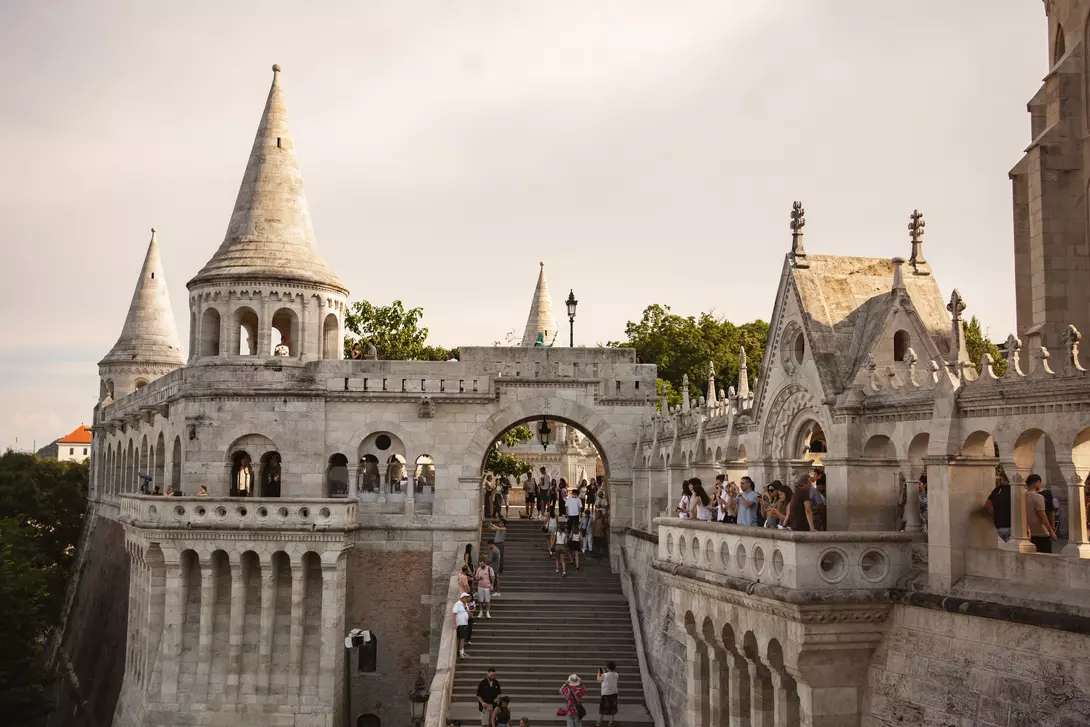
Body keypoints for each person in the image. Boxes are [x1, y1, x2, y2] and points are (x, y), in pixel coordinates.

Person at [1025, 474, 1057, 553]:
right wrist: (1051, 531)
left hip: (1027, 532)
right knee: (1046, 556)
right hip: (1040, 532)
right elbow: (1042, 515)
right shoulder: (1038, 497)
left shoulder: (1022, 496)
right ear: (1037, 482)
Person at [984, 475, 1012, 542]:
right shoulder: (1014, 490)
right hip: (1012, 526)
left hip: (998, 526)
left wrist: (994, 515)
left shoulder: (996, 490)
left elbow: (987, 505)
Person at [596, 662, 619, 727]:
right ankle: (610, 724)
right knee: (612, 709)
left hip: (605, 694)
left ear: (607, 668)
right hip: (614, 693)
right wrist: (604, 673)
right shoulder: (616, 674)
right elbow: (610, 677)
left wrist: (599, 673)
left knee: (602, 709)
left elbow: (598, 680)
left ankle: (598, 723)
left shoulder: (604, 675)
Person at [453, 592, 472, 658]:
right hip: (460, 624)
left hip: (465, 623)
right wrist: (454, 624)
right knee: (461, 639)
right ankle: (461, 653)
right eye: (466, 597)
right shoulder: (457, 604)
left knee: (463, 638)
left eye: (467, 597)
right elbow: (454, 614)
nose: (467, 598)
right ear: (462, 597)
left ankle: (462, 652)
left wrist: (466, 608)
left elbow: (470, 615)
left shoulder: (466, 604)